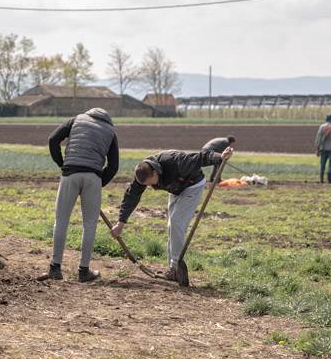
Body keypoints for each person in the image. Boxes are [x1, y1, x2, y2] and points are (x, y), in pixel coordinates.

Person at [111, 144, 234, 281]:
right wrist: (120, 224)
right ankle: (172, 269)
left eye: (151, 183)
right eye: (147, 185)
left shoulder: (176, 161)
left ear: (155, 172)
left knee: (176, 223)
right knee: (171, 225)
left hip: (192, 186)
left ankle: (176, 267)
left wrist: (220, 157)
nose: (150, 186)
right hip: (175, 189)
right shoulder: (142, 174)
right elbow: (131, 197)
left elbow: (201, 157)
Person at [38, 107, 120, 282]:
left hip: (70, 173)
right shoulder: (110, 131)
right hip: (93, 177)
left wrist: (63, 164)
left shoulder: (76, 119)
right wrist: (99, 183)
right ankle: (83, 271)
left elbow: (53, 140)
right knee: (89, 225)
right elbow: (113, 166)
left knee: (61, 220)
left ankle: (55, 268)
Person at [315, 115, 331, 183]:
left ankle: (321, 179)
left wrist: (317, 148)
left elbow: (319, 138)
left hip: (323, 148)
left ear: (326, 119)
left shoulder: (322, 126)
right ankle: (330, 179)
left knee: (322, 164)